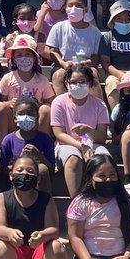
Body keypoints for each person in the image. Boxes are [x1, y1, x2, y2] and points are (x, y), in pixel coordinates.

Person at [50, 62, 110, 197]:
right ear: (67, 83)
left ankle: (103, 197)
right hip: (66, 144)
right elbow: (59, 133)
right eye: (73, 82)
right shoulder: (58, 102)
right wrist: (81, 146)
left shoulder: (99, 104)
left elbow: (102, 137)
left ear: (90, 83)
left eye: (82, 82)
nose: (78, 85)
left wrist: (88, 130)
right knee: (73, 159)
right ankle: (75, 200)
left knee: (104, 159)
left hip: (93, 143)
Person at [0, 34, 54, 145]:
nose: (23, 58)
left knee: (45, 109)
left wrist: (37, 104)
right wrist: (9, 103)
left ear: (34, 58)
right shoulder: (8, 78)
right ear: (14, 59)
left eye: (28, 54)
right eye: (19, 55)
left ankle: (41, 147)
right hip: (14, 120)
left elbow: (50, 103)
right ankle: (4, 147)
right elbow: (1, 100)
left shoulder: (42, 80)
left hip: (34, 120)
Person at [44, 0, 103, 96]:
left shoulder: (95, 32)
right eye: (70, 5)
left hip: (85, 66)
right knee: (59, 75)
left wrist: (88, 63)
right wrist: (63, 64)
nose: (74, 8)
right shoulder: (58, 27)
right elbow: (53, 51)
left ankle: (97, 105)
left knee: (93, 75)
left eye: (78, 5)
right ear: (65, 8)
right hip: (62, 65)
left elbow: (96, 56)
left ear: (86, 9)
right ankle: (62, 105)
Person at [0, 94, 56, 191]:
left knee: (42, 169)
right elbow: (3, 170)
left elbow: (51, 169)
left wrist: (40, 157)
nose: (25, 117)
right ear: (15, 118)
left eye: (30, 114)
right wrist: (19, 162)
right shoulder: (8, 140)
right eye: (21, 114)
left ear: (37, 117)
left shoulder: (45, 139)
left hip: (38, 182)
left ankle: (43, 199)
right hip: (16, 183)